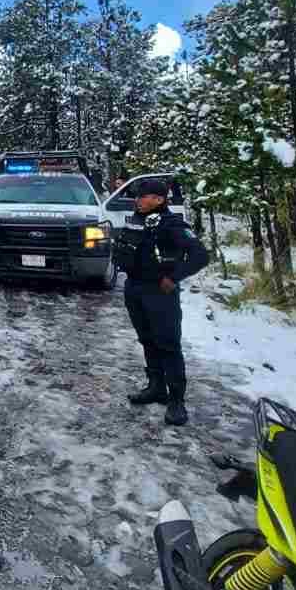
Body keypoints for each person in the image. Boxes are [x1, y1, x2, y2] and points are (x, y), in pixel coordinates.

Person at [112, 178, 209, 426]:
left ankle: (176, 401)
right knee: (147, 340)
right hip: (134, 288)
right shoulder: (136, 220)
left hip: (159, 292)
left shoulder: (172, 224)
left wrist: (174, 278)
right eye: (138, 196)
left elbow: (200, 255)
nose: (138, 200)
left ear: (159, 199)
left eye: (143, 196)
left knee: (168, 344)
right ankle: (156, 387)